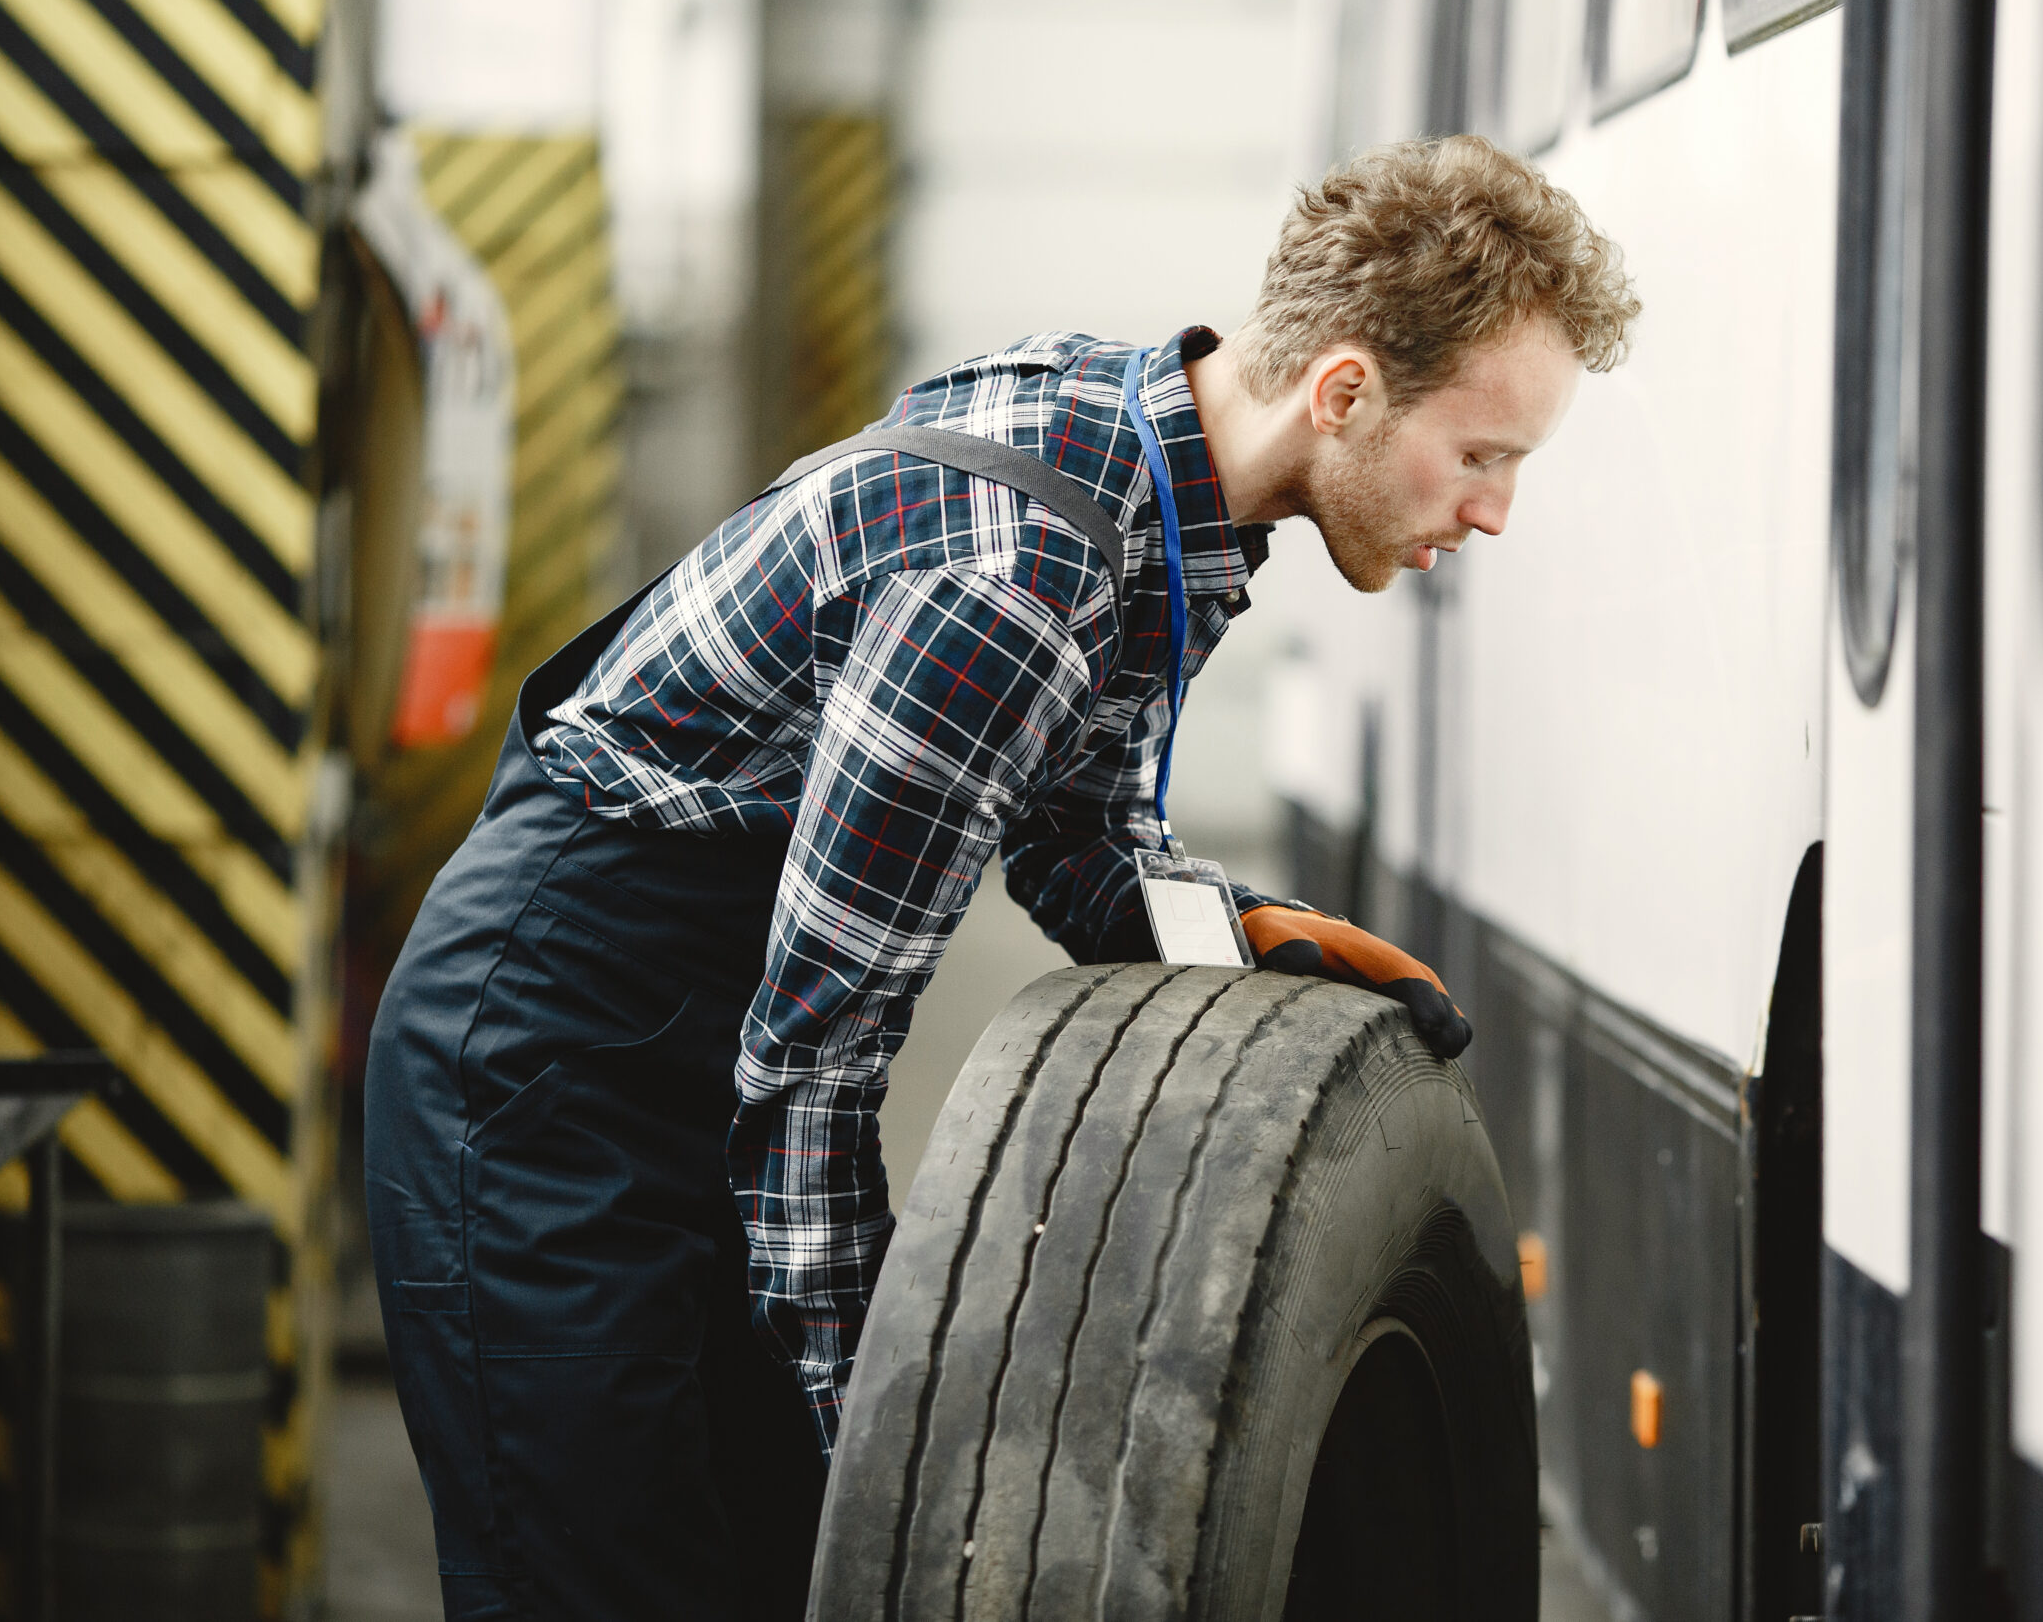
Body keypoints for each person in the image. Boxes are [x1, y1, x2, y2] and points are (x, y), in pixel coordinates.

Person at [363, 133, 1639, 1621]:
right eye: (1481, 456)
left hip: (688, 1056)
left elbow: (1069, 827)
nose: (1491, 512)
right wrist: (896, 1463)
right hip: (537, 1075)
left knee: (759, 1565)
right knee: (612, 1580)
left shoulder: (1165, 483)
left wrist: (1238, 937)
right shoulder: (1013, 584)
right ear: (1344, 390)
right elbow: (815, 1067)